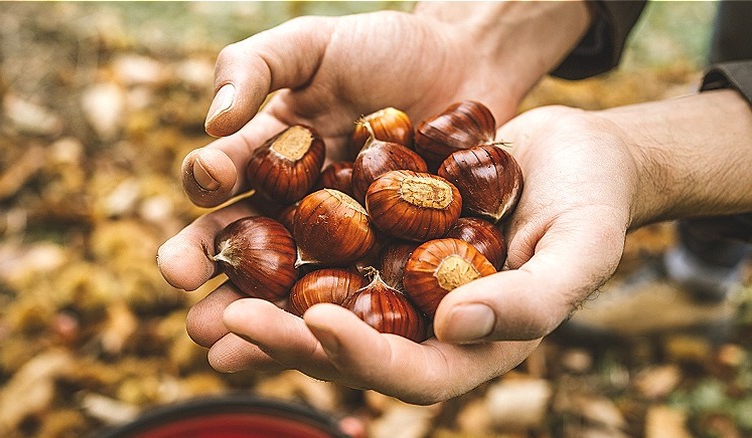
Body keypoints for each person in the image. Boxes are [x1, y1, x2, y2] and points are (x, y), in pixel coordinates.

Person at [157, 2, 752, 404]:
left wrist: (632, 156)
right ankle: (699, 270)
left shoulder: (399, 203)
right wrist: (470, 34)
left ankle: (700, 279)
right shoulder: (382, 192)